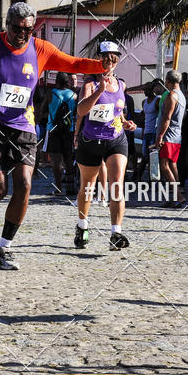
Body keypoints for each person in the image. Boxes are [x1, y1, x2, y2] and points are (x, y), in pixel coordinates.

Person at [0, 2, 104, 270]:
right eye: (17, 29)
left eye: (28, 30)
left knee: (25, 185)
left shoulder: (41, 49)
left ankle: (4, 250)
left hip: (22, 127)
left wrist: (100, 65)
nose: (22, 35)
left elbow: (72, 63)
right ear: (7, 25)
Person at [74, 42, 137, 250]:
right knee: (88, 188)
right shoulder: (90, 84)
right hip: (91, 141)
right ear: (99, 59)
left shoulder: (121, 85)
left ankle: (116, 234)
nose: (110, 63)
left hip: (116, 140)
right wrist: (98, 91)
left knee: (117, 184)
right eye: (106, 58)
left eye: (114, 58)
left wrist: (127, 123)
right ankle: (82, 226)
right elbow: (81, 111)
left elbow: (118, 112)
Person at [153, 69, 186, 206]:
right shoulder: (182, 95)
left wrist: (160, 136)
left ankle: (178, 195)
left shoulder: (172, 95)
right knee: (172, 165)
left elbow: (167, 117)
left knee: (164, 165)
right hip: (176, 135)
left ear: (168, 81)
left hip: (169, 136)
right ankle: (173, 197)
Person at [44, 72, 77, 197]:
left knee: (56, 160)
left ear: (56, 81)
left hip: (53, 129)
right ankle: (70, 187)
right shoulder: (74, 95)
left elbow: (43, 110)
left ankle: (58, 188)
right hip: (69, 130)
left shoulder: (50, 93)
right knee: (68, 158)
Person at [138, 82, 160, 180]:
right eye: (144, 90)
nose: (145, 92)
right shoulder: (144, 102)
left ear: (152, 90)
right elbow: (144, 117)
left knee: (153, 157)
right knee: (145, 156)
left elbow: (161, 116)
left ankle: (154, 179)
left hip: (154, 132)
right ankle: (139, 177)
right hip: (146, 132)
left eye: (147, 90)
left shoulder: (157, 101)